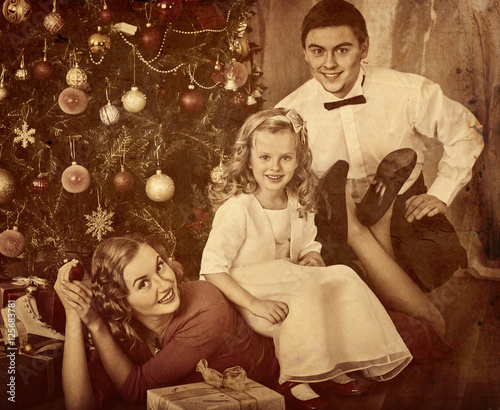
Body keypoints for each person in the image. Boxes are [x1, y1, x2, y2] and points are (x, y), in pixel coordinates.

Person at [200, 107, 413, 410]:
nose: (275, 167)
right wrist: (254, 303)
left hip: (287, 278)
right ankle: (294, 377)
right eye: (264, 158)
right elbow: (212, 269)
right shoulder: (237, 209)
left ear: (298, 160)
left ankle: (335, 366)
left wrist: (313, 258)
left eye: (285, 158)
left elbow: (307, 246)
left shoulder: (296, 202)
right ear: (248, 159)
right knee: (303, 291)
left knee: (343, 276)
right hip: (247, 290)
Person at [276, 0, 484, 293]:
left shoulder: (407, 91)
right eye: (318, 51)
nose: (329, 64)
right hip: (332, 224)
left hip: (403, 215)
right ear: (305, 54)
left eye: (342, 49)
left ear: (364, 49)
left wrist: (441, 192)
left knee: (419, 267)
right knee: (346, 288)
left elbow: (467, 131)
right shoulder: (289, 112)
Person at [54, 236, 280, 410]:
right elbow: (79, 406)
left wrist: (97, 326)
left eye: (159, 266)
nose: (164, 284)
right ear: (121, 301)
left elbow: (137, 390)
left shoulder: (207, 309)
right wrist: (74, 317)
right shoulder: (121, 323)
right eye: (143, 284)